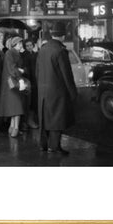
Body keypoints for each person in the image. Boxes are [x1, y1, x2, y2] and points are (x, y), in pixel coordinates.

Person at [36, 21, 78, 155]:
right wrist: (73, 93)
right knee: (57, 119)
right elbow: (67, 75)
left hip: (42, 90)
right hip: (57, 91)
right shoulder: (60, 51)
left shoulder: (42, 49)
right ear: (63, 36)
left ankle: (43, 145)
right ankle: (54, 146)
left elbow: (37, 71)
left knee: (44, 118)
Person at [0, 37, 26, 137]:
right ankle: (15, 127)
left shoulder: (12, 53)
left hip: (11, 81)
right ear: (15, 44)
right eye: (19, 43)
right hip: (13, 81)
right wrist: (20, 75)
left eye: (21, 43)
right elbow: (12, 68)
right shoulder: (11, 53)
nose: (21, 45)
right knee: (16, 105)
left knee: (14, 105)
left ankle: (13, 126)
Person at [21, 39, 39, 129]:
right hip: (29, 81)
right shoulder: (24, 55)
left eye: (30, 45)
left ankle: (31, 120)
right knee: (29, 102)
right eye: (27, 46)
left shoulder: (35, 54)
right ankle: (28, 121)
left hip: (35, 81)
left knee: (34, 101)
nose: (29, 47)